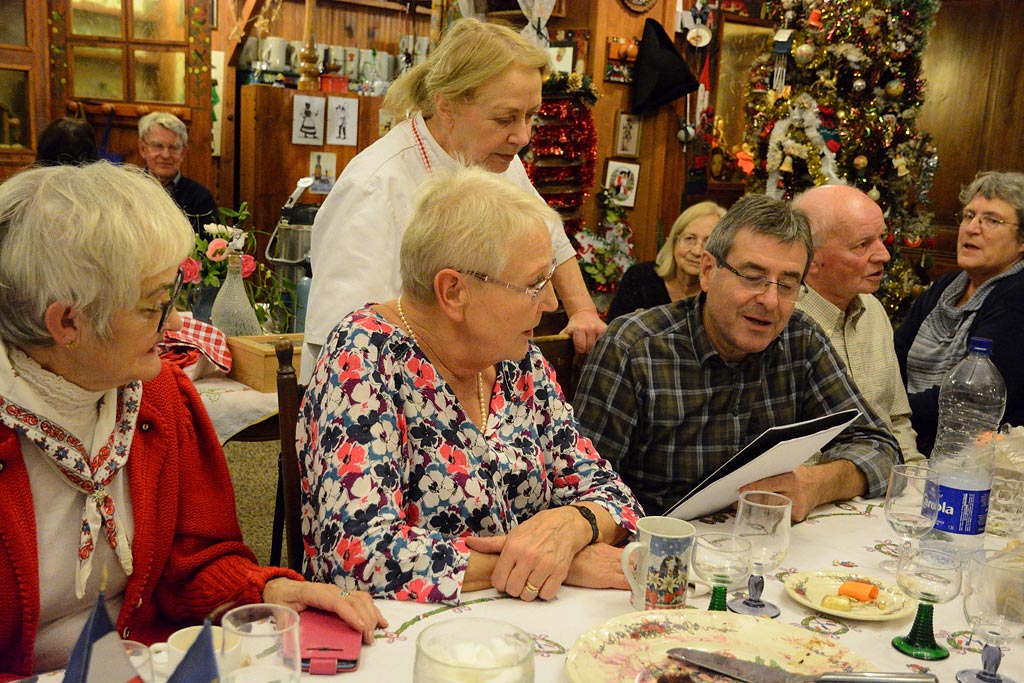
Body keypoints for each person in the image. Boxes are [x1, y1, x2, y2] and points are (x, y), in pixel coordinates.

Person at [0, 162, 384, 678]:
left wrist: (269, 589)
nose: (178, 322)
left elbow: (195, 562)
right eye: (154, 305)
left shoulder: (158, 398)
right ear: (67, 321)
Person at [298, 166, 642, 605]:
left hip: (523, 619)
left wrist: (574, 525)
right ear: (454, 291)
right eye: (534, 284)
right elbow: (359, 554)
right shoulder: (363, 357)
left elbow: (614, 495)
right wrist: (554, 561)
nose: (552, 302)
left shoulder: (518, 360)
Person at [301, 18, 605, 384]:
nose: (522, 136)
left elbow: (552, 240)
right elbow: (342, 340)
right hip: (384, 394)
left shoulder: (496, 160)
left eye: (530, 116)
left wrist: (584, 310)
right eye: (505, 118)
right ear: (446, 106)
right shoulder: (374, 185)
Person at [574, 193, 900, 521]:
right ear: (707, 271)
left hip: (762, 548)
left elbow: (878, 444)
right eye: (752, 278)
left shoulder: (800, 338)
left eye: (787, 285)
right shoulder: (636, 348)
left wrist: (815, 484)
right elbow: (580, 485)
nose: (770, 300)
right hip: (654, 545)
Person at [895, 171, 1024, 455]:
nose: (972, 228)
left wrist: (890, 415)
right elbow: (894, 357)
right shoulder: (947, 286)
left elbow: (969, 397)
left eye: (991, 220)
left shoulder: (1017, 296)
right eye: (968, 216)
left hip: (974, 458)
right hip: (908, 435)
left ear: (1021, 241)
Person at [793, 185, 923, 462]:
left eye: (881, 238)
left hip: (886, 488)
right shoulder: (783, 322)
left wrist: (912, 478)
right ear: (811, 258)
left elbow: (897, 419)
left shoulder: (873, 310)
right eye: (862, 244)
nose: (884, 255)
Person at [606, 201, 726, 321]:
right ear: (674, 241)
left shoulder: (720, 295)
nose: (696, 251)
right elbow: (613, 332)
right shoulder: (640, 278)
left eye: (708, 243)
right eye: (689, 238)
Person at [137, 111, 217, 233]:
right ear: (143, 149)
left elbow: (208, 247)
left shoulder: (200, 198)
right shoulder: (128, 191)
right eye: (157, 146)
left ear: (183, 152)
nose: (165, 155)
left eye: (174, 147)